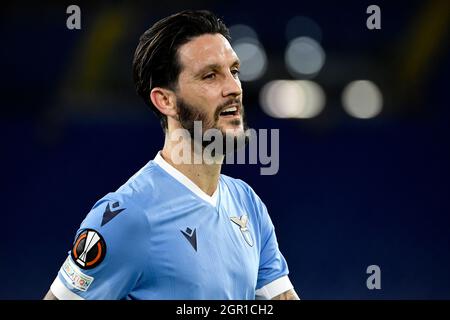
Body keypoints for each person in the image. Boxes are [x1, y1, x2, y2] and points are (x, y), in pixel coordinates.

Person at [44, 10, 299, 300]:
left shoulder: (247, 203)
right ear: (165, 100)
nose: (233, 88)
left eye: (234, 71)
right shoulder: (127, 218)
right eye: (210, 75)